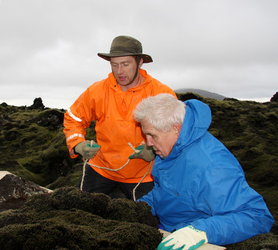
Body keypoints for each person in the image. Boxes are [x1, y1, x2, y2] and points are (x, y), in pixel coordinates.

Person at [133, 93, 274, 249]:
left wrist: (199, 232)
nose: (148, 143)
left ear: (175, 129)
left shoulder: (212, 166)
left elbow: (258, 216)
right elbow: (164, 191)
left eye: (152, 135)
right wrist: (139, 208)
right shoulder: (168, 150)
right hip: (168, 229)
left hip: (195, 239)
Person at [63, 35, 176, 201]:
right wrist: (77, 143)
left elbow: (176, 132)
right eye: (114, 65)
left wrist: (153, 151)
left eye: (125, 64)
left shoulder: (160, 93)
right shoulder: (97, 91)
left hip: (143, 174)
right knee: (79, 209)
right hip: (101, 167)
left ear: (140, 62)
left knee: (148, 221)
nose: (119, 71)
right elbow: (73, 118)